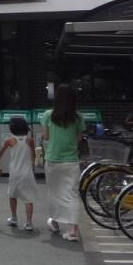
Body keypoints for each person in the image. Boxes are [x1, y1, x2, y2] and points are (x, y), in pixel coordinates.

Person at [41, 84, 86, 242]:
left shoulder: (48, 115)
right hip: (71, 160)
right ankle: (73, 229)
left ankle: (55, 222)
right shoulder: (78, 117)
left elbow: (46, 137)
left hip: (53, 159)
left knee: (54, 192)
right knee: (71, 194)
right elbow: (79, 138)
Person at [0, 115, 37, 231]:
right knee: (28, 198)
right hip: (26, 173)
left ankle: (14, 217)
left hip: (14, 172)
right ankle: (29, 223)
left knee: (12, 195)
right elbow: (33, 156)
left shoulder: (10, 141)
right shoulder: (30, 141)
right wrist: (32, 164)